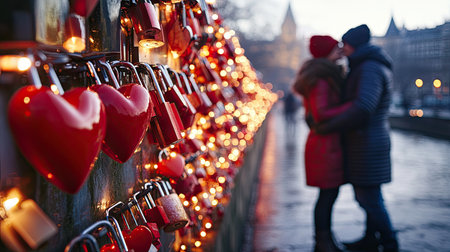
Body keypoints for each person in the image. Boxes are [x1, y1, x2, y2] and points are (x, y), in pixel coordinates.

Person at [315, 24, 399, 252]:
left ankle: (391, 243)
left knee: (368, 198)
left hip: (367, 143)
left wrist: (329, 125)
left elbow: (363, 107)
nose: (342, 50)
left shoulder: (369, 68)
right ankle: (371, 239)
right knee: (371, 195)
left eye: (345, 44)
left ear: (354, 45)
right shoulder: (366, 65)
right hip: (366, 141)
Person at [293, 35, 352, 252]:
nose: (340, 50)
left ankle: (324, 239)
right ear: (325, 52)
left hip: (325, 143)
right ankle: (323, 242)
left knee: (327, 195)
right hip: (325, 146)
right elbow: (322, 112)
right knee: (327, 195)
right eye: (335, 48)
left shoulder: (321, 74)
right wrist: (353, 107)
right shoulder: (322, 78)